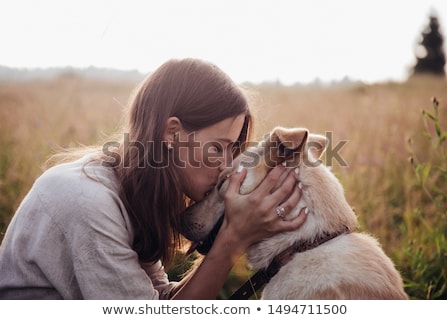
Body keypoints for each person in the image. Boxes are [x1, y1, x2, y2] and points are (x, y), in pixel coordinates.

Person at [0, 58, 306, 299]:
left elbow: (162, 304)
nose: (227, 166)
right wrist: (232, 239)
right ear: (172, 133)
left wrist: (234, 237)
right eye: (218, 148)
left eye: (234, 151)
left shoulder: (132, 195)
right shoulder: (88, 201)